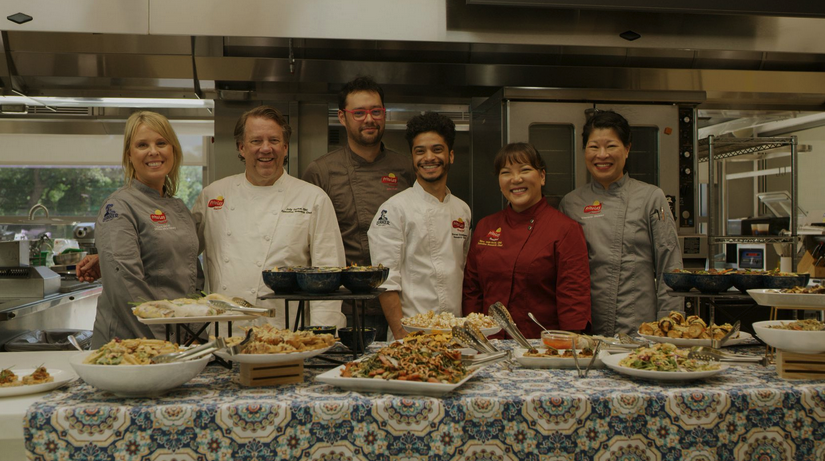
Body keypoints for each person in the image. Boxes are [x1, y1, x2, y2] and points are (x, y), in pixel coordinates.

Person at [192, 106, 346, 332]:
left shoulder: (313, 198)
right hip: (224, 333)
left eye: (274, 140)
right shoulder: (213, 195)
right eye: (256, 141)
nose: (266, 148)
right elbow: (182, 257)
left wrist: (323, 334)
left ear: (285, 148)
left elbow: (328, 274)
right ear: (241, 147)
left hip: (287, 335)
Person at [303, 76, 415, 340]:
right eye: (359, 112)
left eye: (376, 111)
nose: (369, 119)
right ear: (342, 117)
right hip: (344, 306)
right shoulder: (321, 171)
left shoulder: (407, 168)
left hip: (401, 304)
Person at [559, 110, 683, 337]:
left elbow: (671, 268)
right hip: (586, 330)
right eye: (594, 146)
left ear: (627, 149)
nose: (602, 155)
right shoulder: (571, 203)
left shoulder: (651, 197)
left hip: (640, 328)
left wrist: (670, 328)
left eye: (611, 146)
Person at [90, 111, 202, 347]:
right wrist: (163, 338)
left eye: (161, 143)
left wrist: (193, 331)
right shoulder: (119, 206)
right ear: (129, 155)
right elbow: (126, 282)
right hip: (131, 341)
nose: (154, 151)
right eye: (142, 145)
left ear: (173, 150)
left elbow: (191, 273)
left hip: (178, 337)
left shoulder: (179, 208)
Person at [462, 142, 591, 339]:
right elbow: (472, 290)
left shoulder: (565, 229)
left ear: (542, 176)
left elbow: (573, 296)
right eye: (506, 172)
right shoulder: (485, 227)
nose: (516, 179)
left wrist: (566, 347)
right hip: (488, 345)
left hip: (541, 346)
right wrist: (474, 336)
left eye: (525, 170)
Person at [368, 112, 471, 340]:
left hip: (456, 332)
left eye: (437, 149)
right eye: (420, 151)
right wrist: (401, 334)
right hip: (412, 333)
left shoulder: (462, 210)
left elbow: (463, 270)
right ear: (412, 158)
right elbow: (386, 281)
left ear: (451, 155)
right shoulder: (394, 209)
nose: (428, 157)